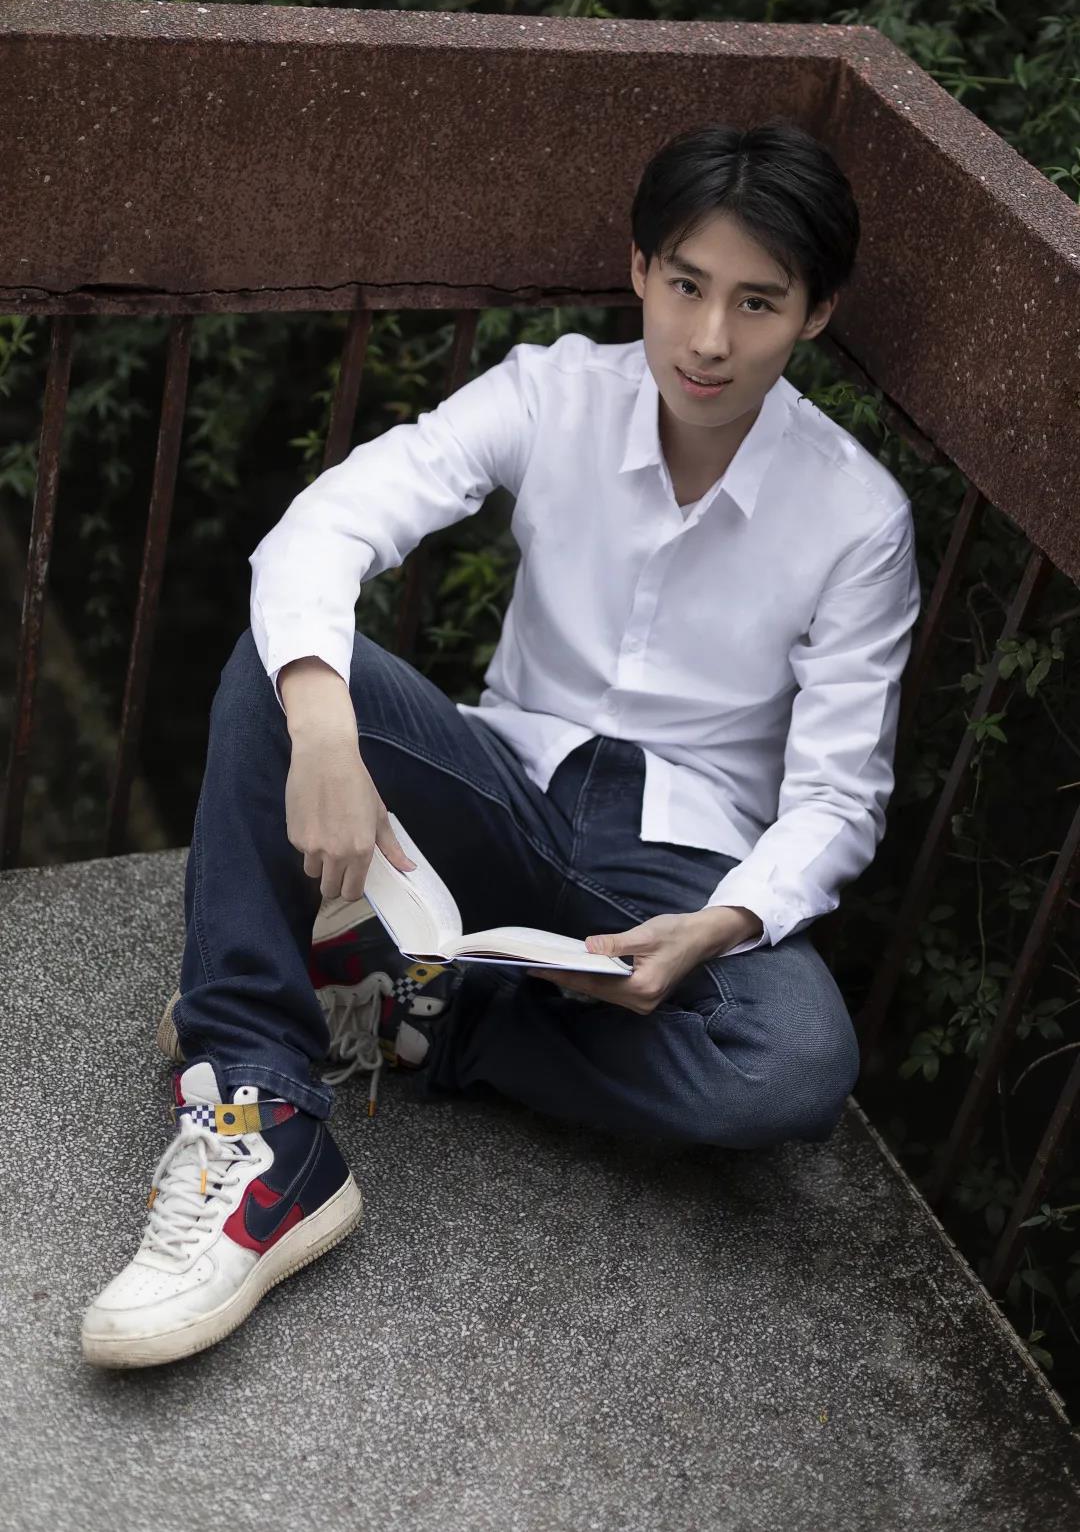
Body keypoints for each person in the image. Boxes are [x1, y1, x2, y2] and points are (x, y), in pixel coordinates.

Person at [81, 116, 921, 1369]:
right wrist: (325, 729)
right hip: (504, 799)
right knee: (287, 659)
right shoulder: (552, 392)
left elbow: (841, 797)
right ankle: (263, 1115)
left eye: (757, 303)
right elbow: (328, 525)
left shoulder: (858, 517)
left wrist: (724, 924)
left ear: (815, 312)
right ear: (638, 269)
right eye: (686, 285)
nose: (708, 338)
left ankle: (422, 1005)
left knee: (794, 1067)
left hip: (674, 870)